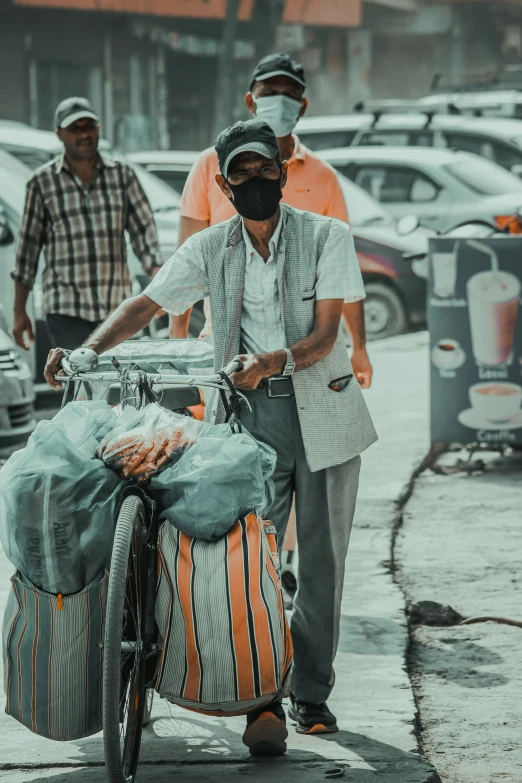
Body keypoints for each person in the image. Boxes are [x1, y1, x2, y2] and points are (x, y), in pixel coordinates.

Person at [45, 119, 377, 755]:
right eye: (242, 173)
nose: (257, 181)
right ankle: (264, 698)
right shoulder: (211, 248)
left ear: (281, 171)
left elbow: (326, 336)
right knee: (252, 561)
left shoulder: (326, 236)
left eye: (265, 168)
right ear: (224, 185)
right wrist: (86, 351)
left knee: (323, 561)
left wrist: (270, 361)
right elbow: (146, 303)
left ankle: (311, 691)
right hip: (250, 417)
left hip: (325, 414)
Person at [169, 53, 373, 390]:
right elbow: (183, 264)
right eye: (269, 92)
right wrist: (178, 345)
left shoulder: (324, 178)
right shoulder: (211, 167)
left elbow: (342, 274)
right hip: (227, 347)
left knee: (312, 440)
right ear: (251, 101)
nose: (280, 101)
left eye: (290, 94)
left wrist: (360, 348)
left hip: (307, 353)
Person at [12, 96, 163, 352]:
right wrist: (19, 312)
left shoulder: (122, 176)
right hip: (65, 310)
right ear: (59, 134)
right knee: (80, 385)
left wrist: (160, 291)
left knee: (117, 386)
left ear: (98, 130)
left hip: (117, 309)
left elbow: (145, 239)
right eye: (75, 128)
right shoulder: (42, 183)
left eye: (88, 126)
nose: (83, 134)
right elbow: (27, 254)